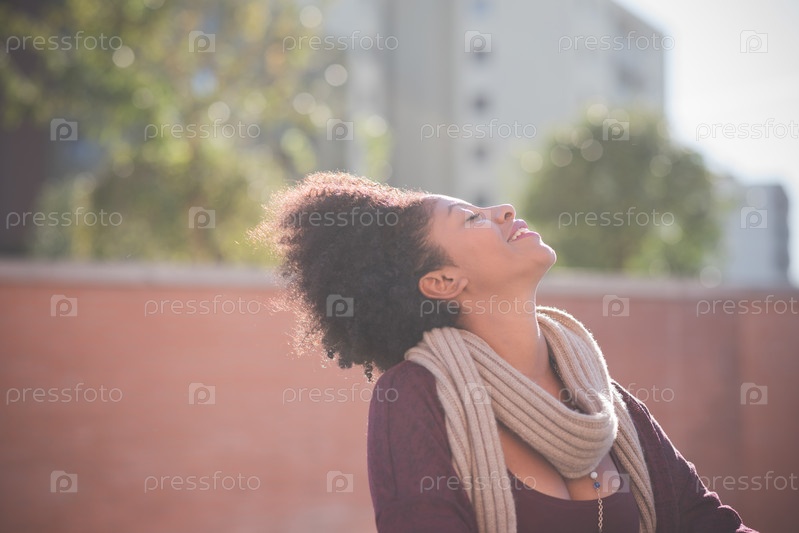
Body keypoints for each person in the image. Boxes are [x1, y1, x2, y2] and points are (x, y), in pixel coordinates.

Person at [258, 171, 757, 533]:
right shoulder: (414, 397)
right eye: (472, 219)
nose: (504, 211)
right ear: (444, 281)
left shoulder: (608, 403)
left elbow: (707, 524)